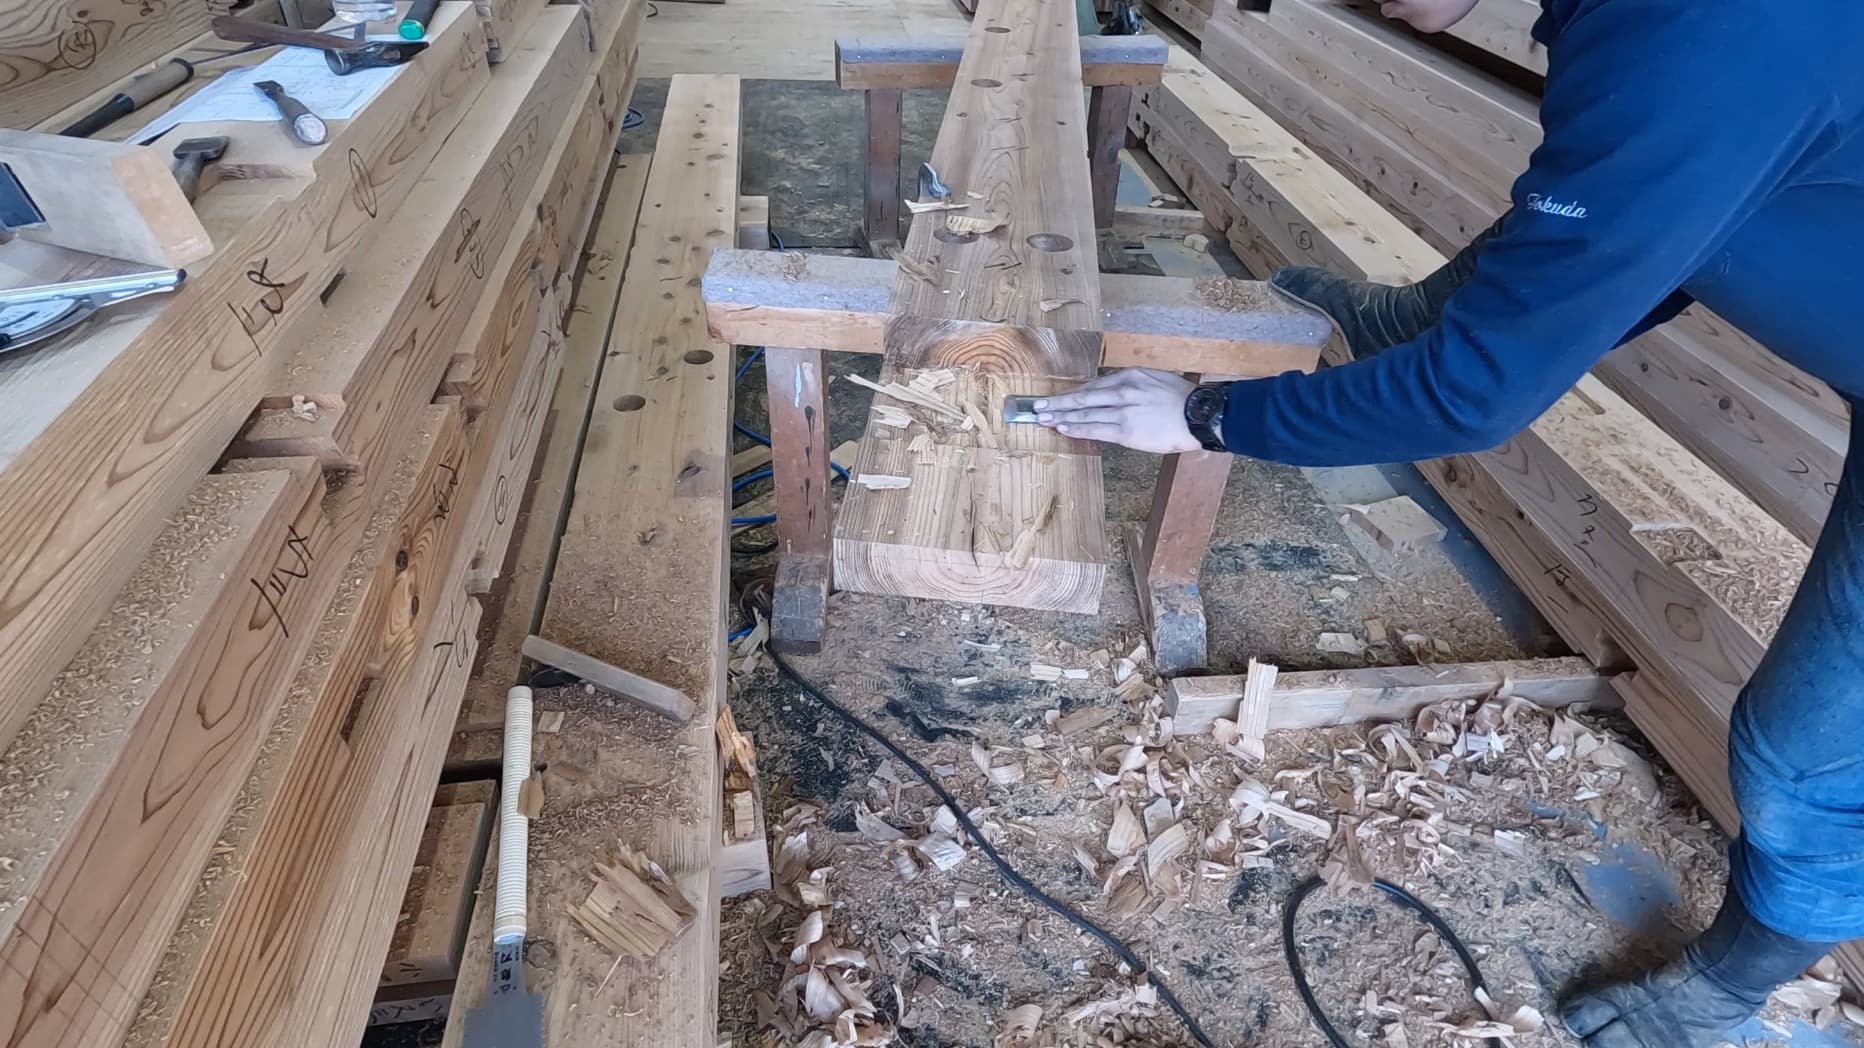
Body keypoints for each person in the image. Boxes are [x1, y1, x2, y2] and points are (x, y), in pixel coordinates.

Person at [1034, 2, 1864, 1045]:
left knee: (1800, 754)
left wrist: (1206, 417)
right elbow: (1647, 222)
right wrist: (1432, 325)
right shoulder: (1644, 29)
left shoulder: (1696, 37)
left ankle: (1726, 987)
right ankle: (1399, 319)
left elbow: (1473, 393)